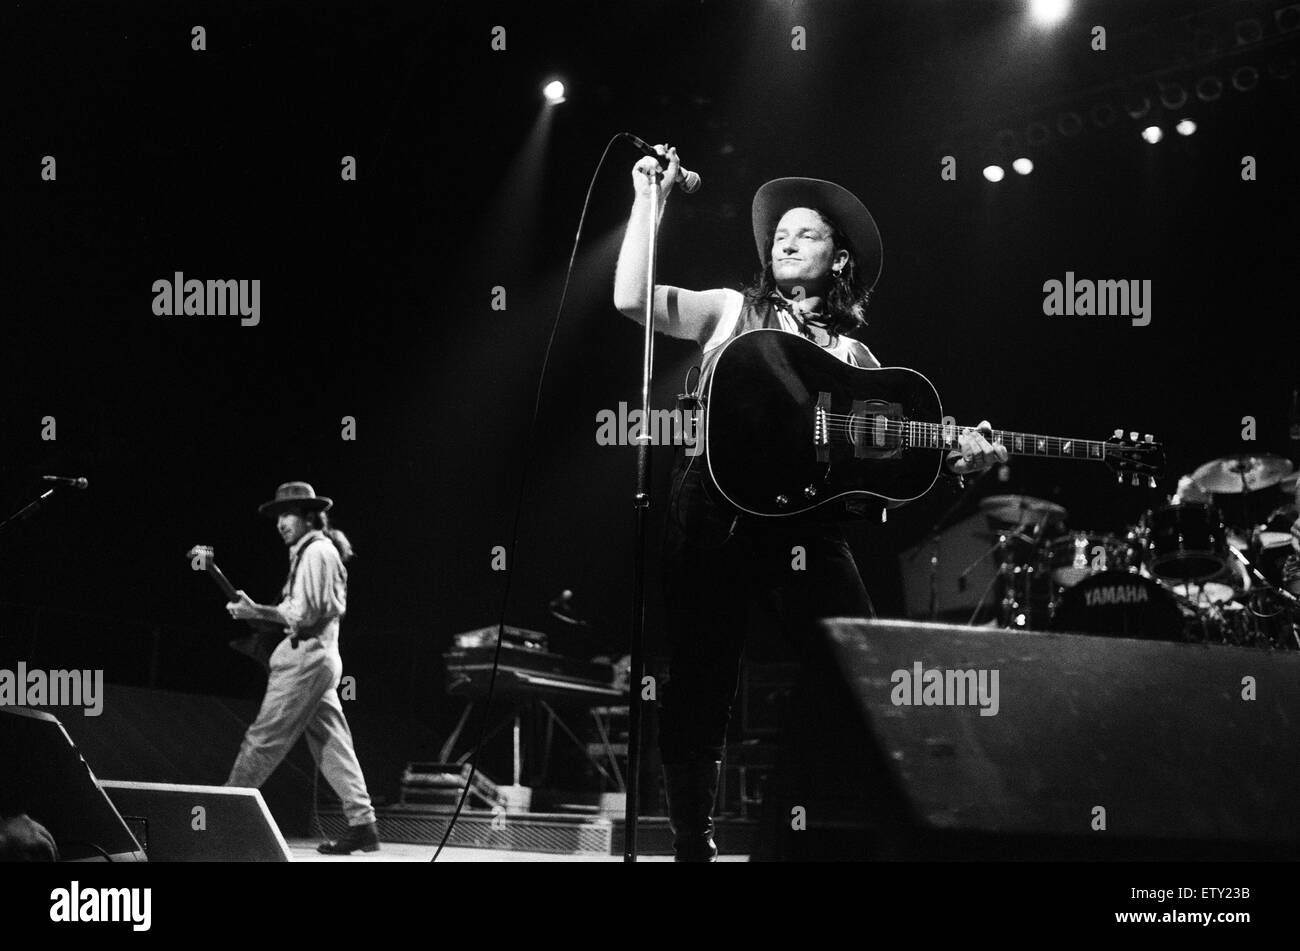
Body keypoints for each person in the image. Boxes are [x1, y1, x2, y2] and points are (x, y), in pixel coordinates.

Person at [613, 145, 1007, 860]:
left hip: (807, 527)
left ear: (842, 259)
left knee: (857, 666)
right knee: (701, 674)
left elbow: (882, 483)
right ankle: (691, 839)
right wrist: (651, 199)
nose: (786, 239)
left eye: (809, 232)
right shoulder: (731, 311)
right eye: (780, 233)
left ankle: (849, 829)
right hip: (713, 507)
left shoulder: (858, 364)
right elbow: (632, 301)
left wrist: (957, 466)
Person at [224, 481, 379, 855]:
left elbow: (304, 614)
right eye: (278, 516)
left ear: (309, 516)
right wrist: (259, 611)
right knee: (332, 743)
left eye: (288, 514)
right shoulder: (314, 551)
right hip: (320, 657)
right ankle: (363, 824)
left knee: (263, 738)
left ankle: (222, 812)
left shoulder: (316, 553)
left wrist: (256, 611)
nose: (280, 523)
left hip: (307, 659)